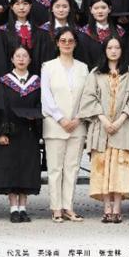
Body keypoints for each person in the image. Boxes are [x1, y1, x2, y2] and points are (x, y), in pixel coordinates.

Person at [76, 36, 129, 224]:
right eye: (110, 48)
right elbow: (89, 98)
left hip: (123, 127)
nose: (113, 51)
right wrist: (104, 119)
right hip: (101, 127)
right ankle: (107, 208)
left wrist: (120, 120)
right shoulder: (96, 73)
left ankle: (117, 209)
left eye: (117, 48)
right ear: (104, 50)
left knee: (120, 168)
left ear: (122, 50)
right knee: (102, 167)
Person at [41, 28, 90, 223]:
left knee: (72, 167)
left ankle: (68, 206)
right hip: (55, 124)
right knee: (55, 169)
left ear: (75, 43)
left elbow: (87, 95)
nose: (67, 44)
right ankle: (56, 208)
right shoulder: (48, 66)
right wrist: (60, 118)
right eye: (63, 40)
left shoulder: (83, 68)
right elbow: (46, 96)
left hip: (77, 124)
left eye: (70, 40)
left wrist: (78, 118)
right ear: (57, 43)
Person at [0, 46, 44, 223]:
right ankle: (13, 208)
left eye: (25, 56)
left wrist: (36, 117)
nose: (21, 59)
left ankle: (23, 208)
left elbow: (41, 104)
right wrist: (2, 132)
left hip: (29, 132)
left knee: (27, 168)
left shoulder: (37, 82)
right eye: (18, 56)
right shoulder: (4, 82)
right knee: (11, 169)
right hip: (11, 132)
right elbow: (1, 108)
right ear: (12, 60)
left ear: (30, 60)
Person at [1, 0, 52, 75]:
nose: (21, 7)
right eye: (17, 4)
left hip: (36, 77)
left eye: (25, 4)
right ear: (11, 7)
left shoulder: (41, 33)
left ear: (30, 6)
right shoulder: (3, 33)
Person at [77, 0, 127, 67]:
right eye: (96, 8)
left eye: (103, 8)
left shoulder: (119, 32)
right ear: (91, 10)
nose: (100, 11)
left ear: (109, 9)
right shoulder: (83, 34)